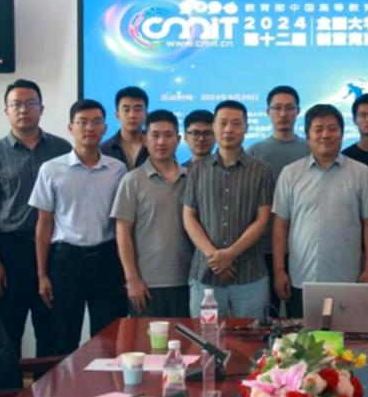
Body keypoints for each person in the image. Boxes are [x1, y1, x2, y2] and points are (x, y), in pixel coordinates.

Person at [0, 79, 71, 356]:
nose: (23, 110)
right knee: (8, 330)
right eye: (16, 105)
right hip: (10, 250)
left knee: (51, 329)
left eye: (30, 103)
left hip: (53, 249)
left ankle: (47, 382)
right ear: (6, 111)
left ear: (42, 108)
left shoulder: (62, 149)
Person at [29, 99, 128, 353]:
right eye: (82, 122)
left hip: (106, 259)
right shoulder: (51, 169)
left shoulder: (118, 170)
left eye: (96, 122)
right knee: (62, 336)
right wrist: (42, 274)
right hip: (66, 260)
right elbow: (44, 224)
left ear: (105, 128)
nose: (89, 128)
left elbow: (122, 223)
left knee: (108, 336)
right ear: (70, 128)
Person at [272, 104, 368, 317]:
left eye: (332, 129)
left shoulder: (361, 173)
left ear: (342, 133)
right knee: (301, 336)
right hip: (301, 276)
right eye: (318, 129)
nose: (325, 135)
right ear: (308, 136)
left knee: (348, 336)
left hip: (347, 278)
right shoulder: (290, 174)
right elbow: (280, 225)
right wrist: (279, 271)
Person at [181, 101, 273, 319]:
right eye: (223, 123)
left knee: (254, 336)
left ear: (246, 128)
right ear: (214, 127)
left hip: (250, 274)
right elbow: (189, 216)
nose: (229, 129)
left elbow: (262, 220)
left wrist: (230, 254)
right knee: (204, 336)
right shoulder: (196, 169)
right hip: (205, 272)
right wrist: (215, 257)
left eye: (236, 123)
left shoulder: (261, 170)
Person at [111, 109, 194, 317]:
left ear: (178, 139)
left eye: (168, 135)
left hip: (189, 280)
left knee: (186, 338)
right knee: (148, 339)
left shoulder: (193, 178)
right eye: (155, 135)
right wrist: (132, 279)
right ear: (144, 139)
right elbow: (122, 233)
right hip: (147, 284)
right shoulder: (132, 180)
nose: (161, 142)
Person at [247, 86, 311, 317]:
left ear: (298, 111)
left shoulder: (311, 148)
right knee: (269, 315)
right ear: (267, 112)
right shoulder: (255, 151)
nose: (283, 114)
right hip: (263, 247)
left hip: (303, 247)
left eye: (289, 108)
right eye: (277, 108)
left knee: (301, 316)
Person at [100, 86, 149, 170]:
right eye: (126, 110)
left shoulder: (157, 147)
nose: (132, 115)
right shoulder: (103, 150)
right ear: (117, 115)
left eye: (138, 110)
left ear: (146, 115)